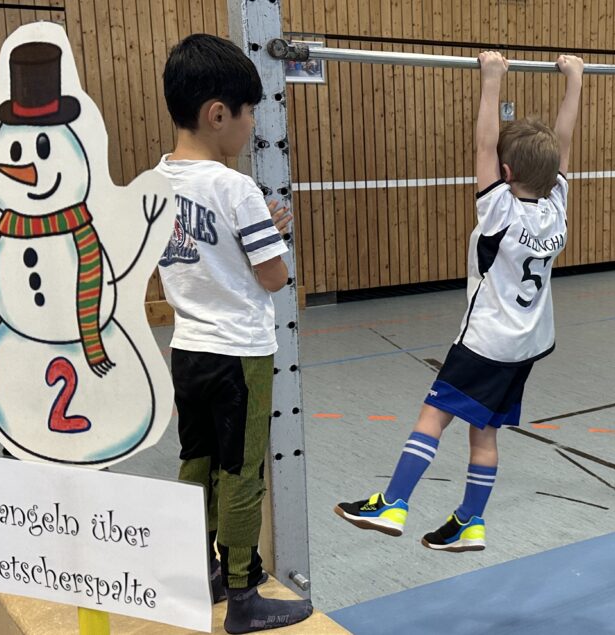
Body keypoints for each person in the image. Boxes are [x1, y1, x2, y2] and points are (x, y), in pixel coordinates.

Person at [334, 51, 583, 552]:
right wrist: (574, 81)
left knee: (433, 415)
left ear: (505, 171)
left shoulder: (500, 211)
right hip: (527, 346)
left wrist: (492, 79)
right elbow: (565, 143)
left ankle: (393, 502)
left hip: (486, 343)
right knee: (484, 431)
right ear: (552, 173)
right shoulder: (556, 207)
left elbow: (484, 143)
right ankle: (470, 520)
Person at [156, 33, 313, 633]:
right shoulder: (235, 187)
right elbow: (273, 277)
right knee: (242, 472)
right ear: (218, 114)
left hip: (188, 350)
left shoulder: (156, 181)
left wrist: (253, 234)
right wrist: (271, 233)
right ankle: (245, 595)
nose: (252, 126)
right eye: (249, 113)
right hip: (239, 353)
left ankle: (203, 572)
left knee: (196, 462)